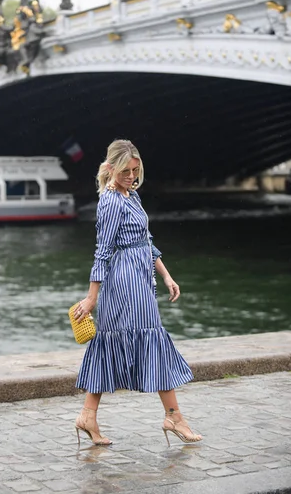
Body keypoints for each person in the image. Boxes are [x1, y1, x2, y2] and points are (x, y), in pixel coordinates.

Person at [74, 139, 202, 447]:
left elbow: (145, 241)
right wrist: (92, 297)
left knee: (118, 342)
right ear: (112, 168)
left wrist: (167, 275)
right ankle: (173, 416)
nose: (132, 176)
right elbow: (102, 252)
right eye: (126, 171)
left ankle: (88, 416)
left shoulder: (130, 195)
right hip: (123, 282)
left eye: (135, 170)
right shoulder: (111, 201)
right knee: (148, 340)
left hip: (139, 278)